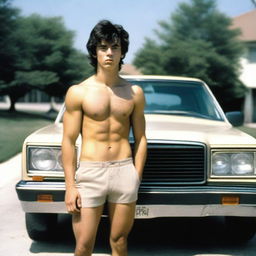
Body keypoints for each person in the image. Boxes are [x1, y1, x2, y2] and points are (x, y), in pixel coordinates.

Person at [62, 20, 147, 256]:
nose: (109, 53)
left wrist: (135, 175)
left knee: (119, 241)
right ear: (94, 51)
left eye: (115, 47)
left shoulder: (134, 93)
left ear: (122, 52)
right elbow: (68, 142)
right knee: (83, 246)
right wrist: (70, 186)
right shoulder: (78, 92)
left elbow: (141, 139)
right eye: (103, 47)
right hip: (90, 173)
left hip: (124, 171)